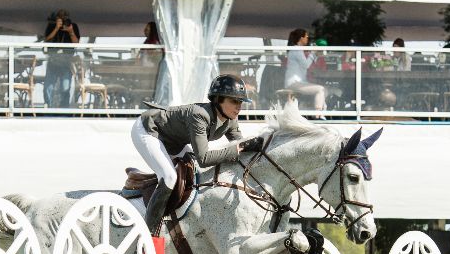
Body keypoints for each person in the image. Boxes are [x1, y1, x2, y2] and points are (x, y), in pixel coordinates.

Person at [133, 74, 263, 236]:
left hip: (174, 142)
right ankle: (150, 233)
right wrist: (241, 147)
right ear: (218, 99)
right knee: (169, 177)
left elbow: (240, 148)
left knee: (196, 174)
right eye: (234, 101)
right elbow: (204, 159)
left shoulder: (231, 119)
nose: (239, 107)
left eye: (241, 102)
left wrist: (258, 146)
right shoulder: (199, 115)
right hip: (149, 130)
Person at [43, 9, 81, 108]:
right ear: (57, 18)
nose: (64, 20)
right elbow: (46, 41)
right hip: (53, 60)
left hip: (67, 61)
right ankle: (49, 108)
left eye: (65, 18)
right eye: (61, 18)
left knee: (65, 87)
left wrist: (71, 31)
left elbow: (76, 43)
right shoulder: (52, 26)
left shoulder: (72, 26)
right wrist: (56, 28)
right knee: (48, 87)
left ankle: (64, 110)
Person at [283, 28, 327, 112]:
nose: (307, 39)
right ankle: (318, 115)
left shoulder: (296, 49)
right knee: (320, 89)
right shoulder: (297, 50)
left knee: (323, 90)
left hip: (297, 82)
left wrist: (314, 54)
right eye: (306, 37)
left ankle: (321, 112)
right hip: (294, 83)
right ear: (301, 38)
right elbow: (306, 65)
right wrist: (313, 53)